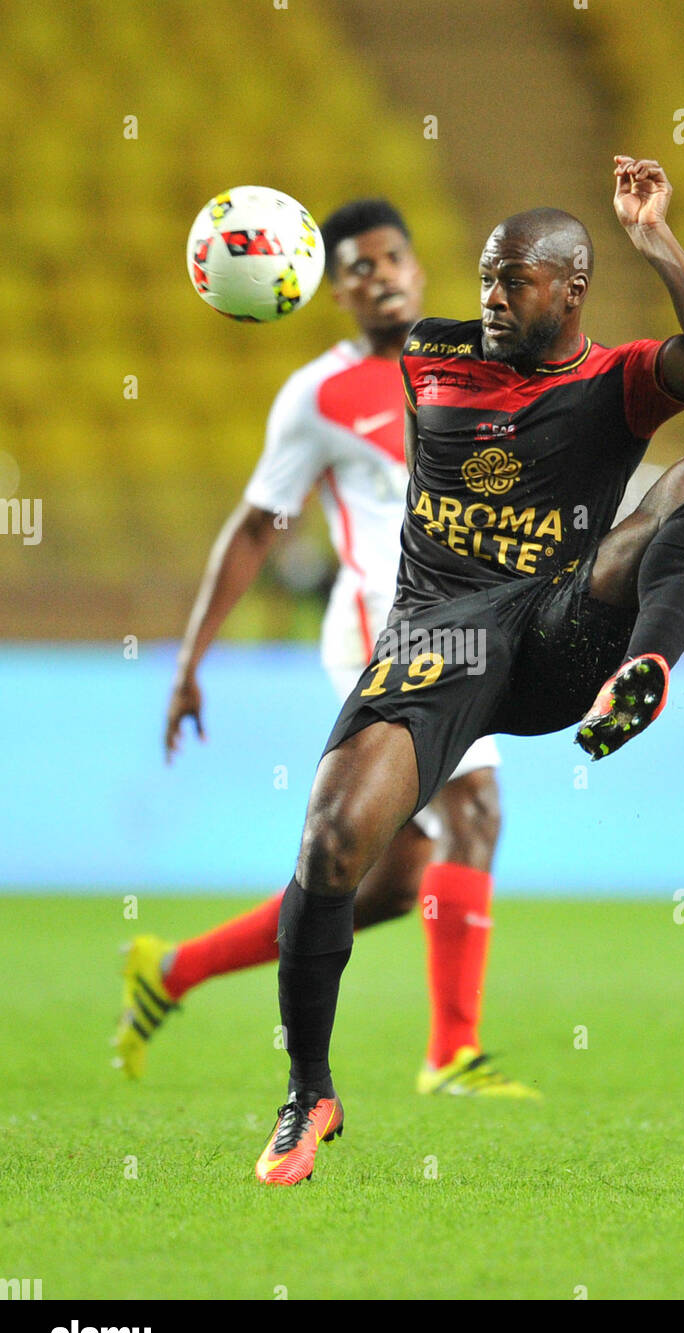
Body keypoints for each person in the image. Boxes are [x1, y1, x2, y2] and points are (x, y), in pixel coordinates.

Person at [254, 155, 684, 1186]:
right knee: (332, 839)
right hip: (440, 637)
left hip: (562, 631)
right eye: (482, 272)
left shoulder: (616, 383)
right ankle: (310, 1090)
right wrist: (311, 265)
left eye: (512, 277)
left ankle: (644, 671)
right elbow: (376, 306)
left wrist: (653, 238)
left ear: (570, 288)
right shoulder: (433, 351)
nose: (487, 293)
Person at [115, 200, 538, 1100]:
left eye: (391, 258)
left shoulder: (474, 366)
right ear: (329, 287)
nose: (377, 274)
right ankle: (452, 1053)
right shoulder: (317, 396)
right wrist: (190, 663)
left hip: (468, 627)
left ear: (419, 270)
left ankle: (170, 970)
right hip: (380, 630)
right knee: (476, 813)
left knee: (392, 883)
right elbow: (255, 530)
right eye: (355, 267)